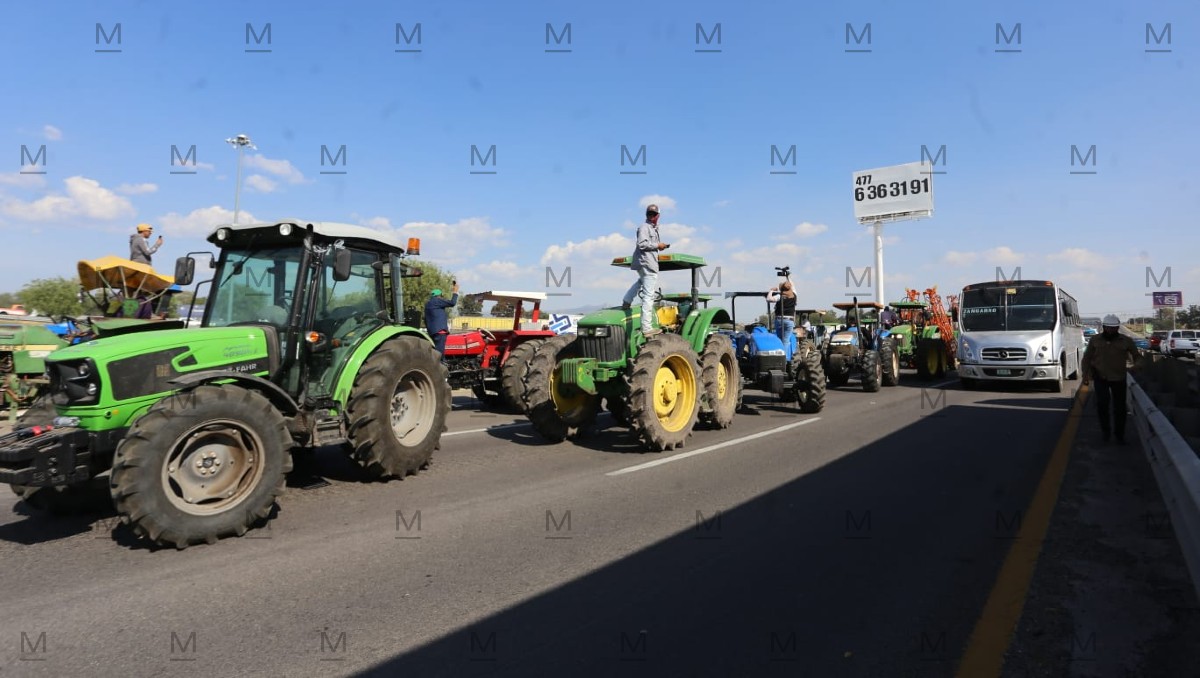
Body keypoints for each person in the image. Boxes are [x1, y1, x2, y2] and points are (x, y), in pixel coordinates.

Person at [1081, 314, 1140, 443]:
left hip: (1119, 378)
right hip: (1100, 377)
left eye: (1114, 328)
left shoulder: (1126, 340)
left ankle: (1119, 435)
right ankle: (1105, 432)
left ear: (1118, 327)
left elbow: (1136, 356)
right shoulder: (1095, 340)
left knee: (1120, 408)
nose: (1112, 330)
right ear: (1104, 327)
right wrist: (1086, 375)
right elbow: (1087, 358)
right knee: (1102, 405)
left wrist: (1137, 366)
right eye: (1109, 328)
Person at [621, 204, 670, 336]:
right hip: (647, 262)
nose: (652, 216)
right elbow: (642, 244)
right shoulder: (644, 227)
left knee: (641, 282)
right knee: (649, 296)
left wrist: (659, 246)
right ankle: (647, 327)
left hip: (645, 262)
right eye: (650, 214)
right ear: (647, 215)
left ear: (658, 216)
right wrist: (658, 245)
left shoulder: (652, 228)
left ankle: (626, 301)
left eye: (654, 214)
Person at [424, 282, 459, 355]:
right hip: (440, 332)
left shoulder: (428, 304)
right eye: (441, 297)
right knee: (439, 355)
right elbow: (452, 303)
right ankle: (441, 365)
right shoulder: (437, 301)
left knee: (435, 352)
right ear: (439, 296)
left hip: (432, 332)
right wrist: (455, 292)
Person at [769, 281, 797, 346]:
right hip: (789, 320)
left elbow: (769, 298)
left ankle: (780, 354)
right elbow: (793, 285)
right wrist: (788, 276)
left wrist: (771, 291)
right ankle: (785, 355)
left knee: (779, 339)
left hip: (779, 319)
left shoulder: (779, 296)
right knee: (786, 340)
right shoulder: (794, 295)